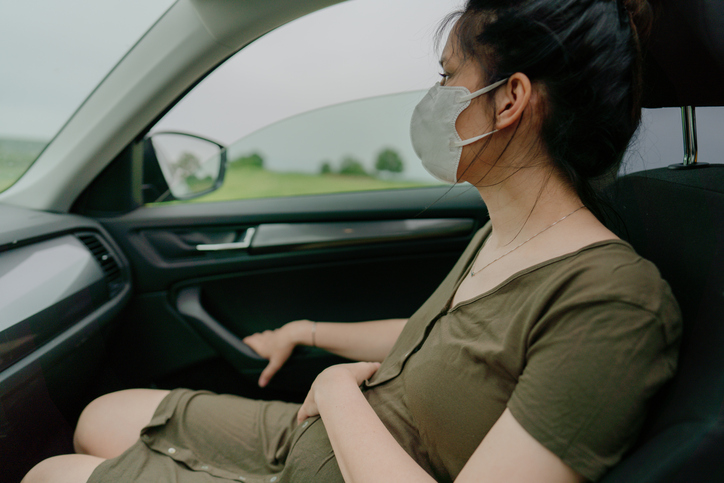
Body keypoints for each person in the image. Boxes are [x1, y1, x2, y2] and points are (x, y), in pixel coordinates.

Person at [23, 0, 681, 482]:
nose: (436, 98)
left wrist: (337, 390)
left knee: (50, 474)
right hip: (318, 443)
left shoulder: (613, 302)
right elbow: (447, 343)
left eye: (448, 77)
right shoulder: (503, 233)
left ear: (510, 100)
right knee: (101, 413)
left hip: (341, 449)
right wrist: (311, 329)